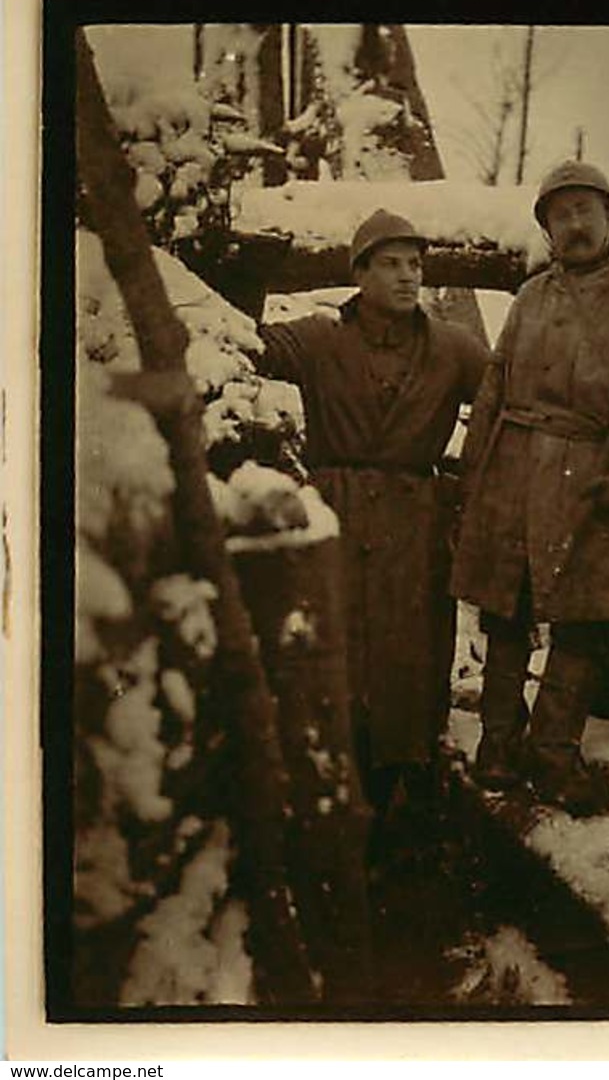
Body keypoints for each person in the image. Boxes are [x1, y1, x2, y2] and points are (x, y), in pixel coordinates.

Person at [450, 161, 609, 812]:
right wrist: (475, 474)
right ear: (548, 229)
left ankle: (552, 752)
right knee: (506, 610)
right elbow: (495, 385)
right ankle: (498, 745)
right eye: (561, 214)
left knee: (584, 619)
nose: (575, 223)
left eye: (587, 209)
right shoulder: (533, 295)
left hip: (593, 469)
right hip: (513, 464)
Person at [255, 209, 489, 823]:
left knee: (411, 647)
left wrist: (469, 480)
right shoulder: (319, 338)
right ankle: (335, 779)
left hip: (416, 520)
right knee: (340, 639)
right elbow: (246, 345)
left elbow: (508, 400)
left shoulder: (454, 349)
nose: (407, 276)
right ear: (358, 272)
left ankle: (406, 782)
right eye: (389, 264)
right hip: (338, 512)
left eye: (415, 264)